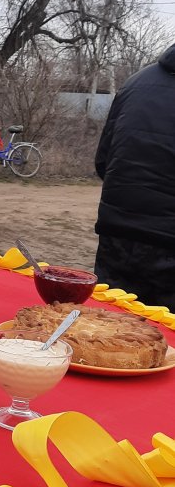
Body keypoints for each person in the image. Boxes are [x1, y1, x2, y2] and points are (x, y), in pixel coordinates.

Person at [94, 43, 175, 310]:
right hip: (166, 244)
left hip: (117, 234)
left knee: (109, 327)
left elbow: (103, 161)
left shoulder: (136, 82)